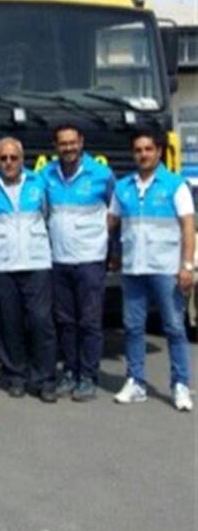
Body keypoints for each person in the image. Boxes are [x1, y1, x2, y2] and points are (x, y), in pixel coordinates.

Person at [108, 129, 194, 411]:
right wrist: (114, 254)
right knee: (133, 328)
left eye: (148, 149)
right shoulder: (123, 187)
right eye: (138, 150)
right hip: (134, 268)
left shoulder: (175, 185)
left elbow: (188, 226)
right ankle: (136, 382)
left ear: (159, 152)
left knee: (174, 327)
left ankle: (180, 385)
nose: (143, 154)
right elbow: (111, 223)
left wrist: (187, 265)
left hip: (166, 269)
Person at [0, 137, 57, 402]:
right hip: (3, 265)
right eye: (3, 158)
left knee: (41, 322)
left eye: (13, 158)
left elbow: (48, 217)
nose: (8, 163)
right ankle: (15, 376)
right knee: (9, 324)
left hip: (37, 263)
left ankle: (44, 380)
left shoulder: (39, 183)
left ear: (22, 158)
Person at [43, 125, 115, 402]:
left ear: (81, 142)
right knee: (65, 321)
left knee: (89, 322)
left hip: (90, 260)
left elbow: (115, 212)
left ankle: (88, 376)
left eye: (73, 142)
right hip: (58, 259)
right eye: (63, 144)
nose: (69, 148)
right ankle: (70, 371)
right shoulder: (46, 175)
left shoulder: (101, 175)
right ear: (55, 146)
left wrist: (110, 247)